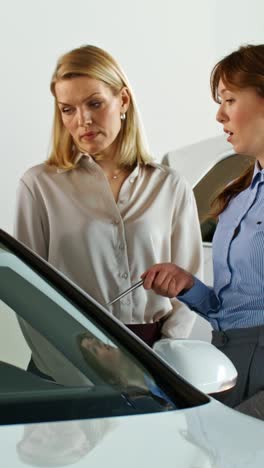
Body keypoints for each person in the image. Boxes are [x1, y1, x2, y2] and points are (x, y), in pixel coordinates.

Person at [14, 44, 202, 358]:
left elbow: (188, 287)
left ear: (123, 100)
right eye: (68, 109)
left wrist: (163, 359)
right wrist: (72, 364)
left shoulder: (170, 186)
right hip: (70, 357)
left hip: (156, 355)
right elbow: (28, 295)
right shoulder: (39, 186)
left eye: (95, 103)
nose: (83, 120)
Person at [141, 44, 264, 411]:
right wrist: (189, 287)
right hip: (226, 361)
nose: (219, 115)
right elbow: (236, 307)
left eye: (228, 99)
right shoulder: (240, 196)